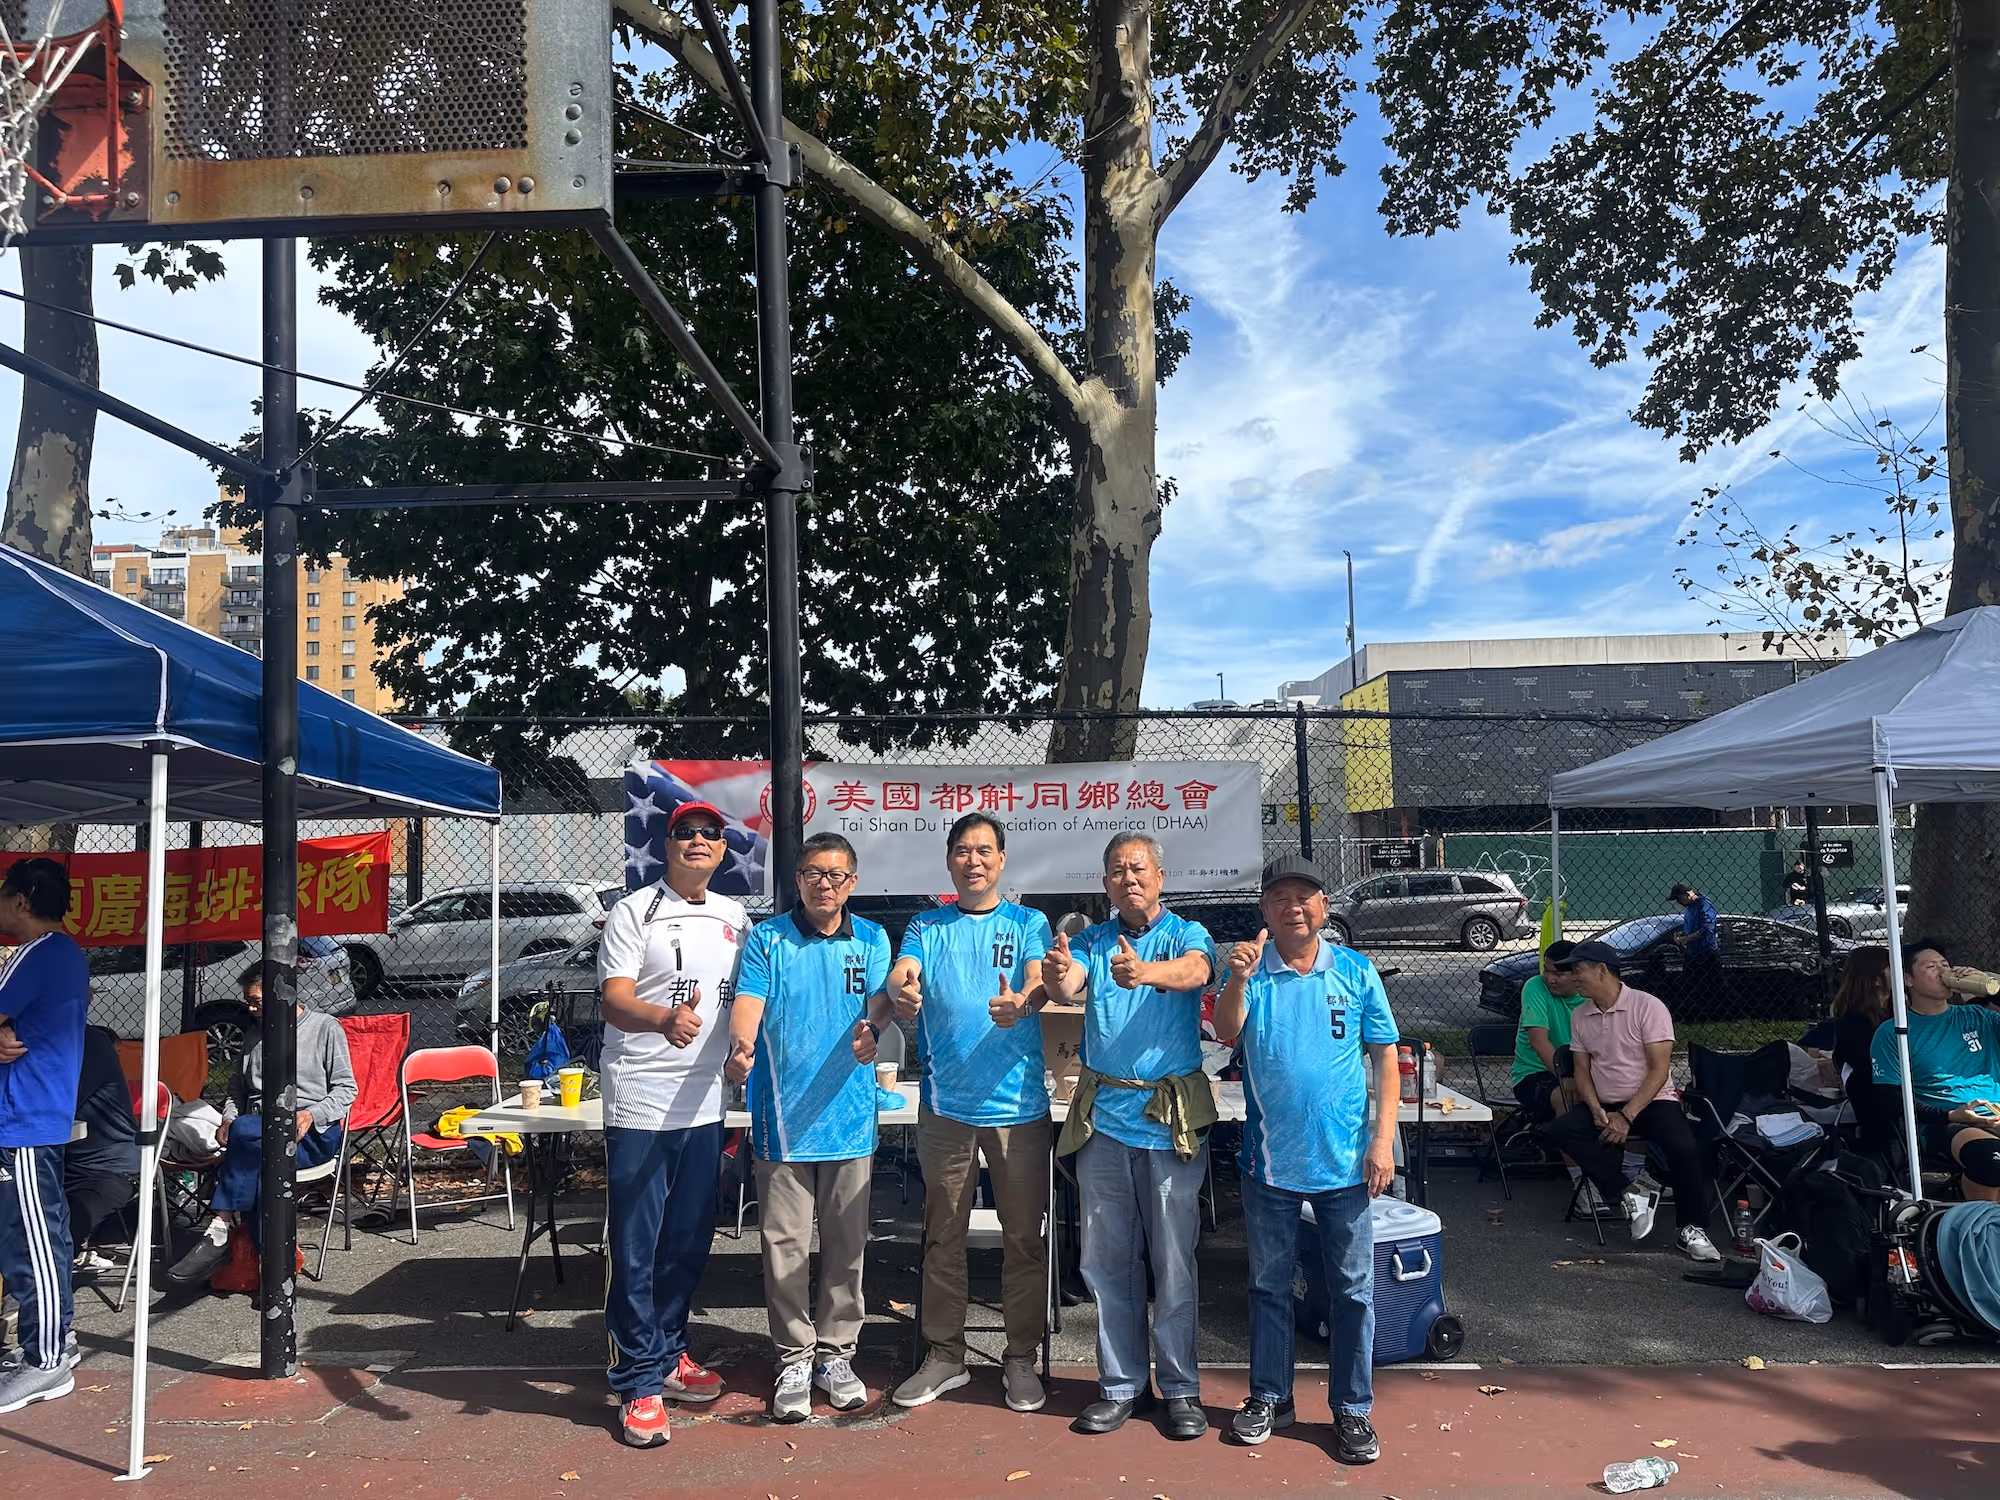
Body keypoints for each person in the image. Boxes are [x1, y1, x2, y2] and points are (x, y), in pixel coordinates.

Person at [1211, 855, 1398, 1465]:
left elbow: (1385, 1060)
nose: (1293, 906)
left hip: (1347, 1165)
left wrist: (1381, 1141)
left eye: (1305, 895)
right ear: (1264, 909)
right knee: (1268, 1285)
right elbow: (1226, 1032)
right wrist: (1236, 979)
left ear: (1323, 906)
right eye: (1280, 897)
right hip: (1270, 1164)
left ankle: (1352, 1410)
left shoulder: (1355, 970)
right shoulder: (1251, 972)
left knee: (1352, 1289)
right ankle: (1270, 1397)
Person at [1043, 834, 1216, 1440]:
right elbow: (1070, 987)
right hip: (1105, 1119)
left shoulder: (1188, 934)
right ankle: (1120, 1386)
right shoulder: (1091, 939)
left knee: (1173, 1259)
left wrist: (1145, 972)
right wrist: (1059, 973)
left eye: (1138, 868)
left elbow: (1198, 972)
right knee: (1107, 1259)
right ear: (1106, 882)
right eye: (1116, 871)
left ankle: (1182, 1389)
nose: (1128, 878)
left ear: (1161, 875)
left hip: (1168, 1121)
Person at [889, 812, 1054, 1414]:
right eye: (963, 851)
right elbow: (902, 971)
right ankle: (945, 1356)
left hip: (1019, 1113)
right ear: (949, 861)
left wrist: (1026, 999)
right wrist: (904, 985)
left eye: (985, 851)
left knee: (1024, 1243)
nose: (974, 860)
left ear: (1002, 860)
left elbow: (1039, 979)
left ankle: (1019, 1359)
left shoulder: (1028, 921)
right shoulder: (925, 927)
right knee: (943, 1239)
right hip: (945, 1111)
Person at [725, 831, 893, 1422]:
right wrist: (742, 1044)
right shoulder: (769, 938)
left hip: (850, 1121)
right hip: (783, 1122)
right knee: (785, 1248)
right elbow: (749, 1003)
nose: (827, 884)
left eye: (839, 875)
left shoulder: (872, 938)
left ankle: (838, 1354)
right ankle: (794, 1357)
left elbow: (881, 1003)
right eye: (816, 874)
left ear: (853, 882)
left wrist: (873, 1028)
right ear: (797, 880)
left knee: (847, 1249)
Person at [598, 798, 749, 1448]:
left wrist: (744, 1049)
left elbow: (749, 996)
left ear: (722, 850)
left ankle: (666, 1353)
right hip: (640, 1100)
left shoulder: (736, 917)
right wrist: (661, 1018)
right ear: (667, 845)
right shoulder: (636, 911)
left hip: (705, 1103)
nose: (697, 841)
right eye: (685, 832)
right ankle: (635, 1381)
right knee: (638, 1244)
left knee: (688, 1242)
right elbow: (614, 999)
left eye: (709, 834)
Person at [167, 962, 355, 1287]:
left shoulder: (325, 1028)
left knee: (246, 1136)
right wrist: (228, 1117)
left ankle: (221, 1227)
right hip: (255, 1136)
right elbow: (236, 1091)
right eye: (249, 1002)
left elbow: (346, 1089)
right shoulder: (255, 1034)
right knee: (257, 1162)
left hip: (307, 1134)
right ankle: (276, 1269)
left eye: (257, 1001)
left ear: (283, 993)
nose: (251, 1009)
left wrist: (313, 1114)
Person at [1540, 940, 1721, 1262]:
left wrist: (1626, 1116)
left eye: (1577, 969)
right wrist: (1596, 1109)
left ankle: (1692, 1228)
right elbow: (1581, 1069)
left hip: (1652, 1102)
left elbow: (1659, 1070)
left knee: (1684, 1147)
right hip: (1606, 1104)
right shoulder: (1581, 1015)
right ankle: (1630, 1193)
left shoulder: (1648, 1006)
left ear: (1602, 970)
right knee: (1561, 1130)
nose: (1572, 977)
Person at [0, 857, 90, 1414]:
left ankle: (46, 1360)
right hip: (32, 1113)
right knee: (35, 1236)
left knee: (30, 1240)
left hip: (26, 1116)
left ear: (23, 901)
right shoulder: (64, 954)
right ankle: (54, 1342)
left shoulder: (39, 954)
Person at [1869, 940, 2000, 1203]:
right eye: (1931, 966)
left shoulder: (1979, 1016)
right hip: (1947, 1121)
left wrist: (1991, 984)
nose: (1942, 972)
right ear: (1908, 979)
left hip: (1995, 1109)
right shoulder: (1894, 1032)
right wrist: (1949, 1114)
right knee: (1991, 1159)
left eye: (1945, 965)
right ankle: (1982, 1230)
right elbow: (1890, 1099)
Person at [65, 1024, 139, 1271]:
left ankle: (36, 1302)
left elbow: (57, 1102)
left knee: (59, 1235)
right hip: (59, 1163)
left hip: (107, 1167)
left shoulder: (91, 1043)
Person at [1669, 883, 1722, 995]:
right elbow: (1692, 928)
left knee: (1713, 987)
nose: (1679, 903)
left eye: (1679, 899)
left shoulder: (1704, 904)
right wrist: (1682, 933)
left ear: (1688, 894)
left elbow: (1707, 929)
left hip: (1706, 953)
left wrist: (1685, 939)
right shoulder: (1689, 908)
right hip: (1692, 953)